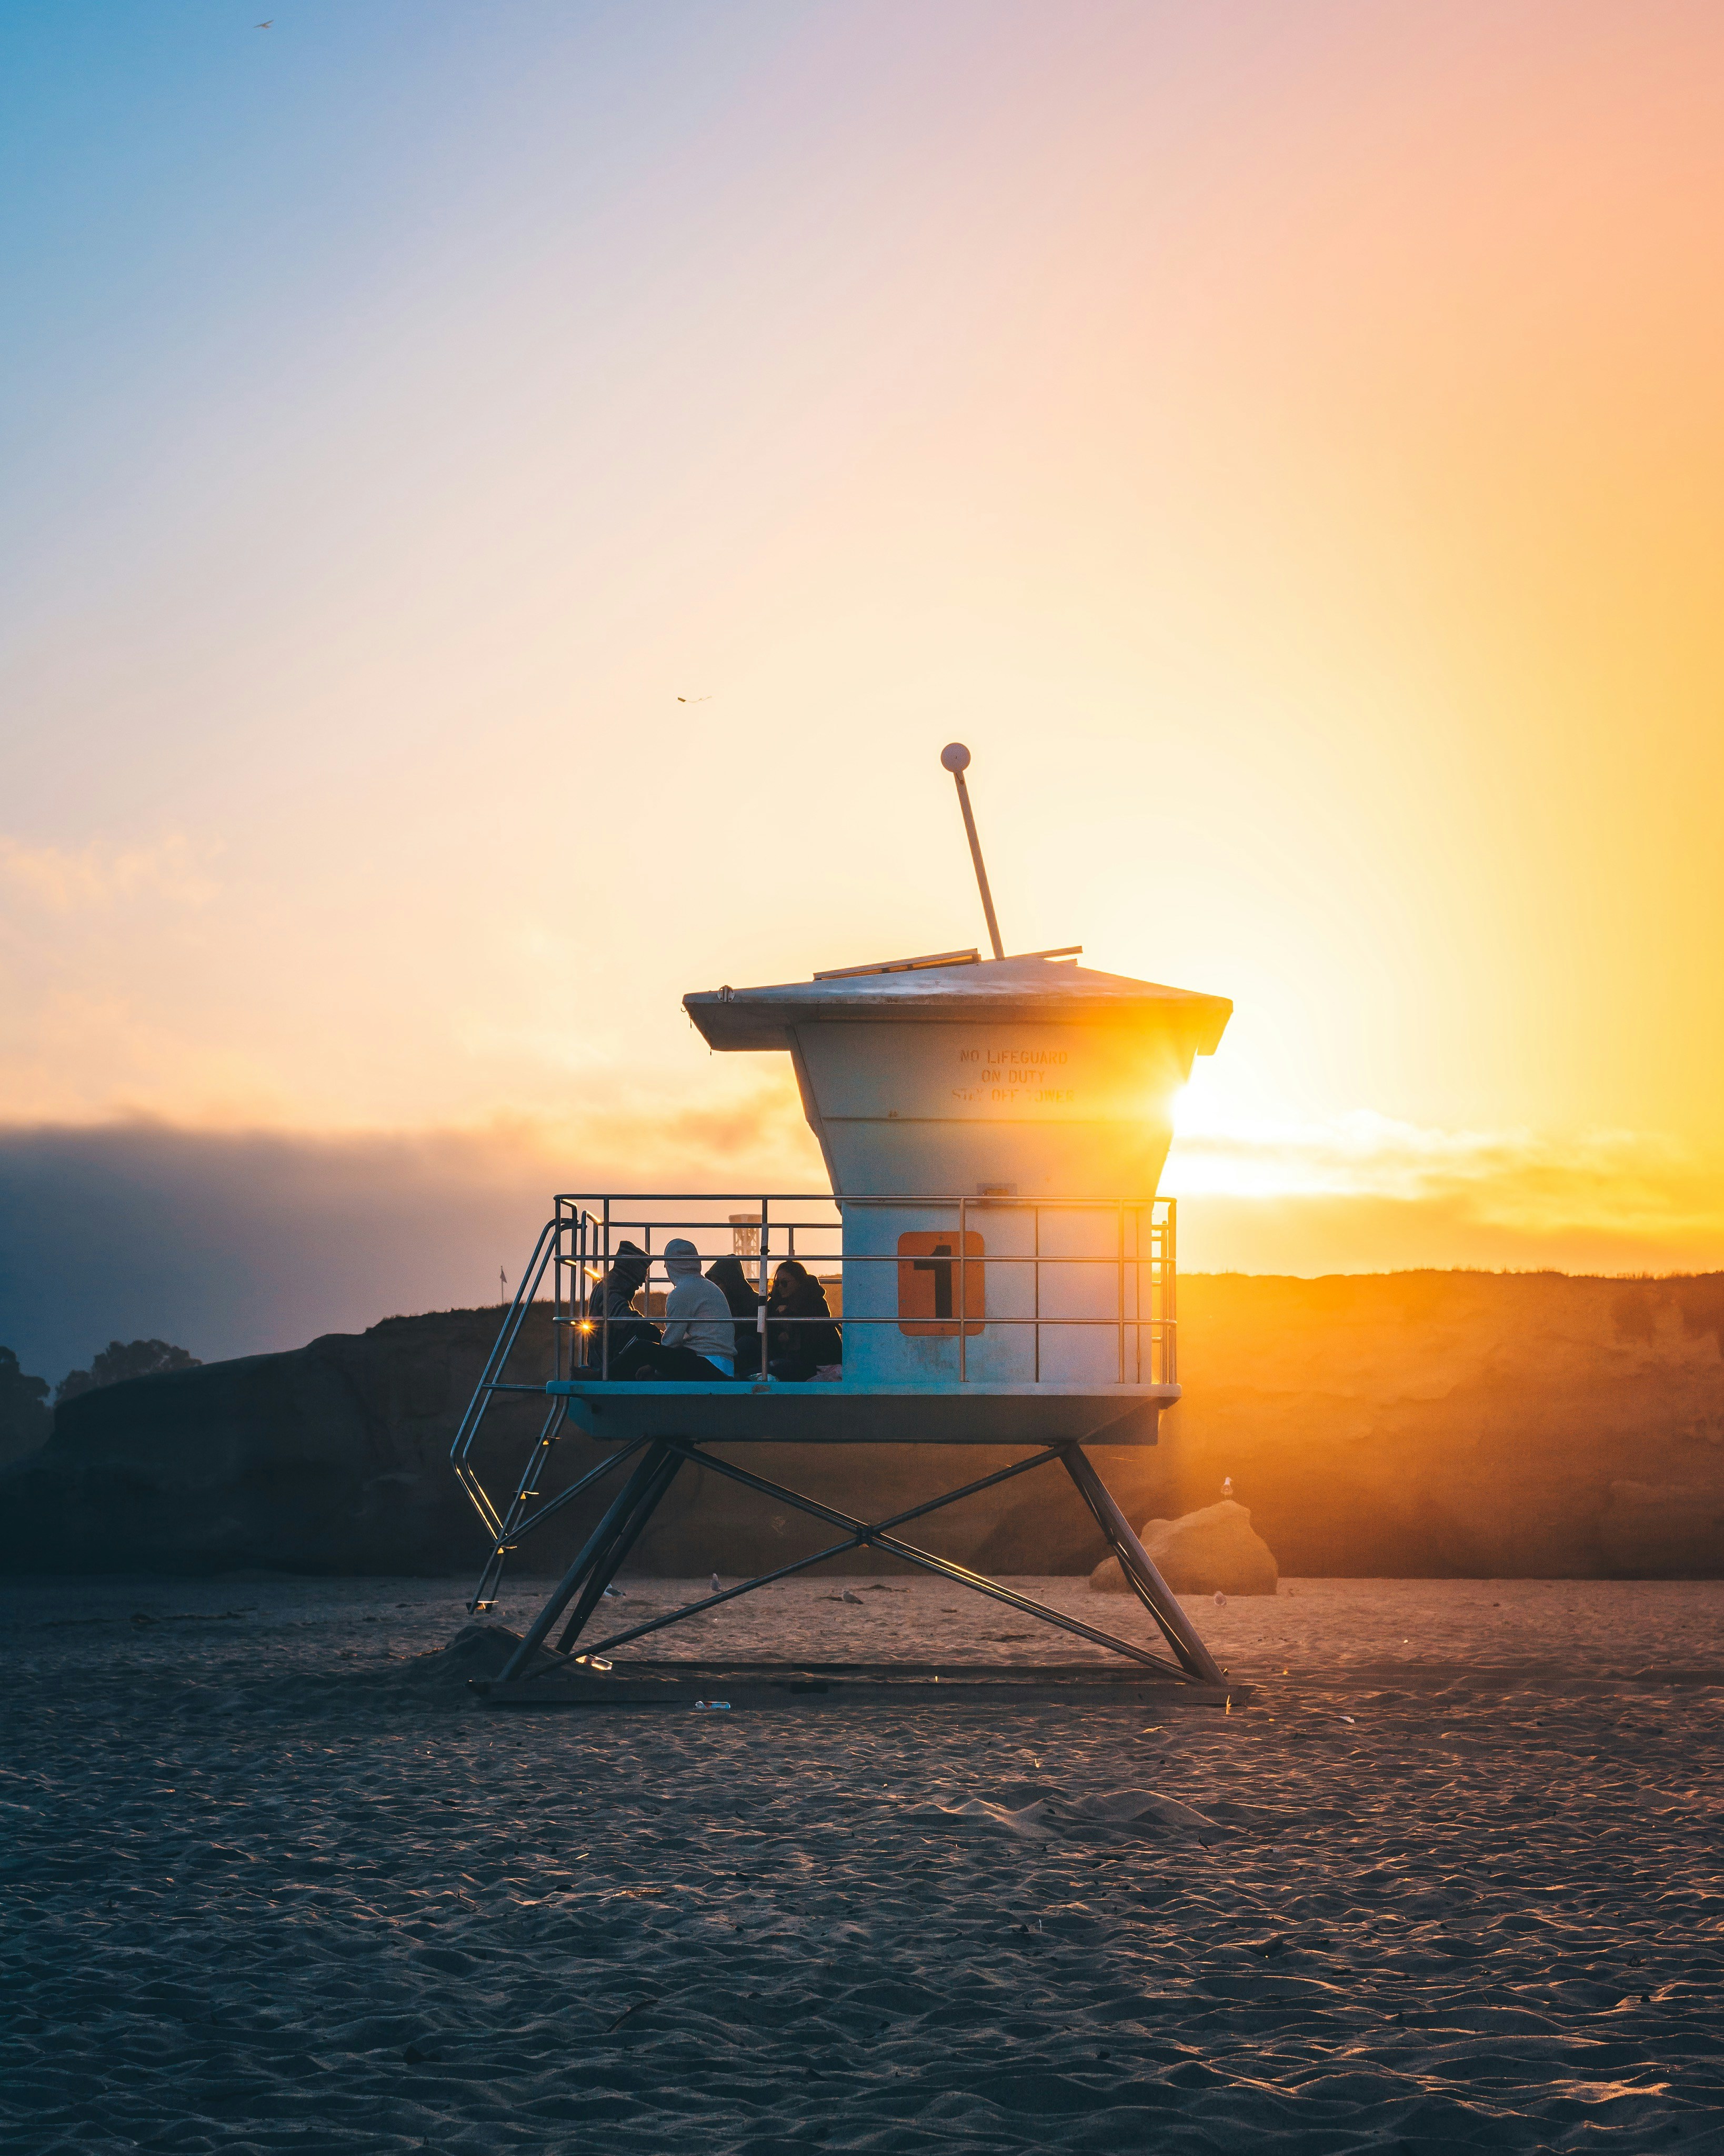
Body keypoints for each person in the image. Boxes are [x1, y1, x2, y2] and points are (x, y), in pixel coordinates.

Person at [634, 1239, 737, 1381]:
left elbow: (672, 1342)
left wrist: (654, 1366)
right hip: (725, 1365)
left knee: (641, 1347)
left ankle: (605, 1374)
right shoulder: (710, 1287)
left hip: (705, 1364)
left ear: (671, 1266)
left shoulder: (681, 1293)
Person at [580, 1240, 660, 1378]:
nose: (642, 1282)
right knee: (647, 1339)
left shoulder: (610, 1287)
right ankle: (600, 1376)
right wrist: (662, 1339)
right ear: (629, 1274)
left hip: (608, 1358)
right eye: (641, 1276)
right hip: (606, 1362)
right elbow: (627, 1322)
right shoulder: (609, 1290)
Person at [766, 1259, 842, 1382]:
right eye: (777, 1283)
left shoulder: (815, 1303)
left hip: (812, 1364)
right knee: (748, 1344)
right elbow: (766, 1333)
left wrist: (789, 1316)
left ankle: (736, 1378)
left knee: (775, 1367)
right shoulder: (775, 1303)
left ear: (799, 1282)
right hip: (783, 1357)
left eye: (784, 1283)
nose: (780, 1287)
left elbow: (812, 1339)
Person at [706, 1254, 764, 1375]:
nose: (716, 1288)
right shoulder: (715, 1303)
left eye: (718, 1283)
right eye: (713, 1284)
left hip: (747, 1351)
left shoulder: (754, 1301)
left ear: (730, 1282)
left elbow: (755, 1337)